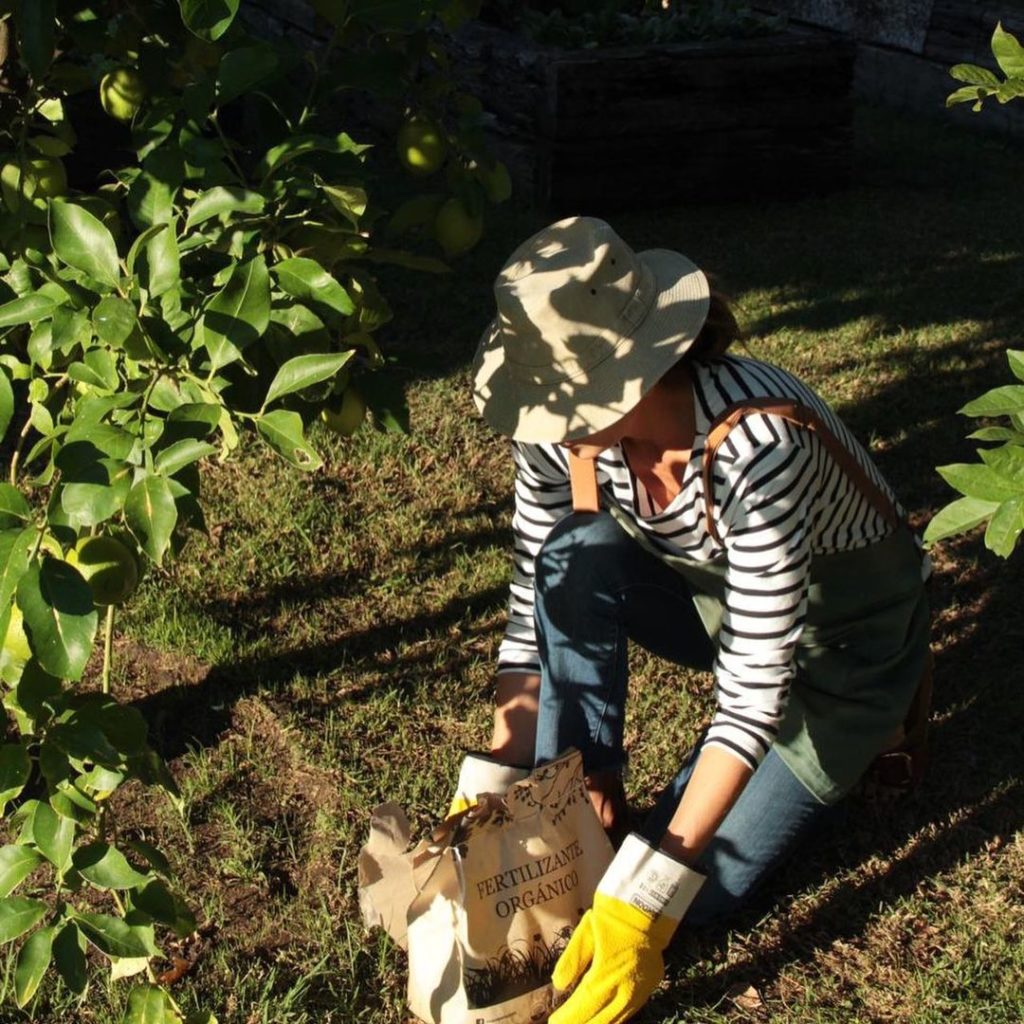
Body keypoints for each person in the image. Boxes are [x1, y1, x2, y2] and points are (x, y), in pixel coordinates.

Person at [452, 216, 931, 1024]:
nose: (543, 421)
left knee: (697, 898)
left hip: (843, 650)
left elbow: (754, 694)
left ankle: (875, 726)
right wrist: (500, 778)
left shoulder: (760, 447)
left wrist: (646, 898)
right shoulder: (558, 431)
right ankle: (585, 793)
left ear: (636, 375)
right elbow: (536, 590)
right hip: (721, 602)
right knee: (573, 552)